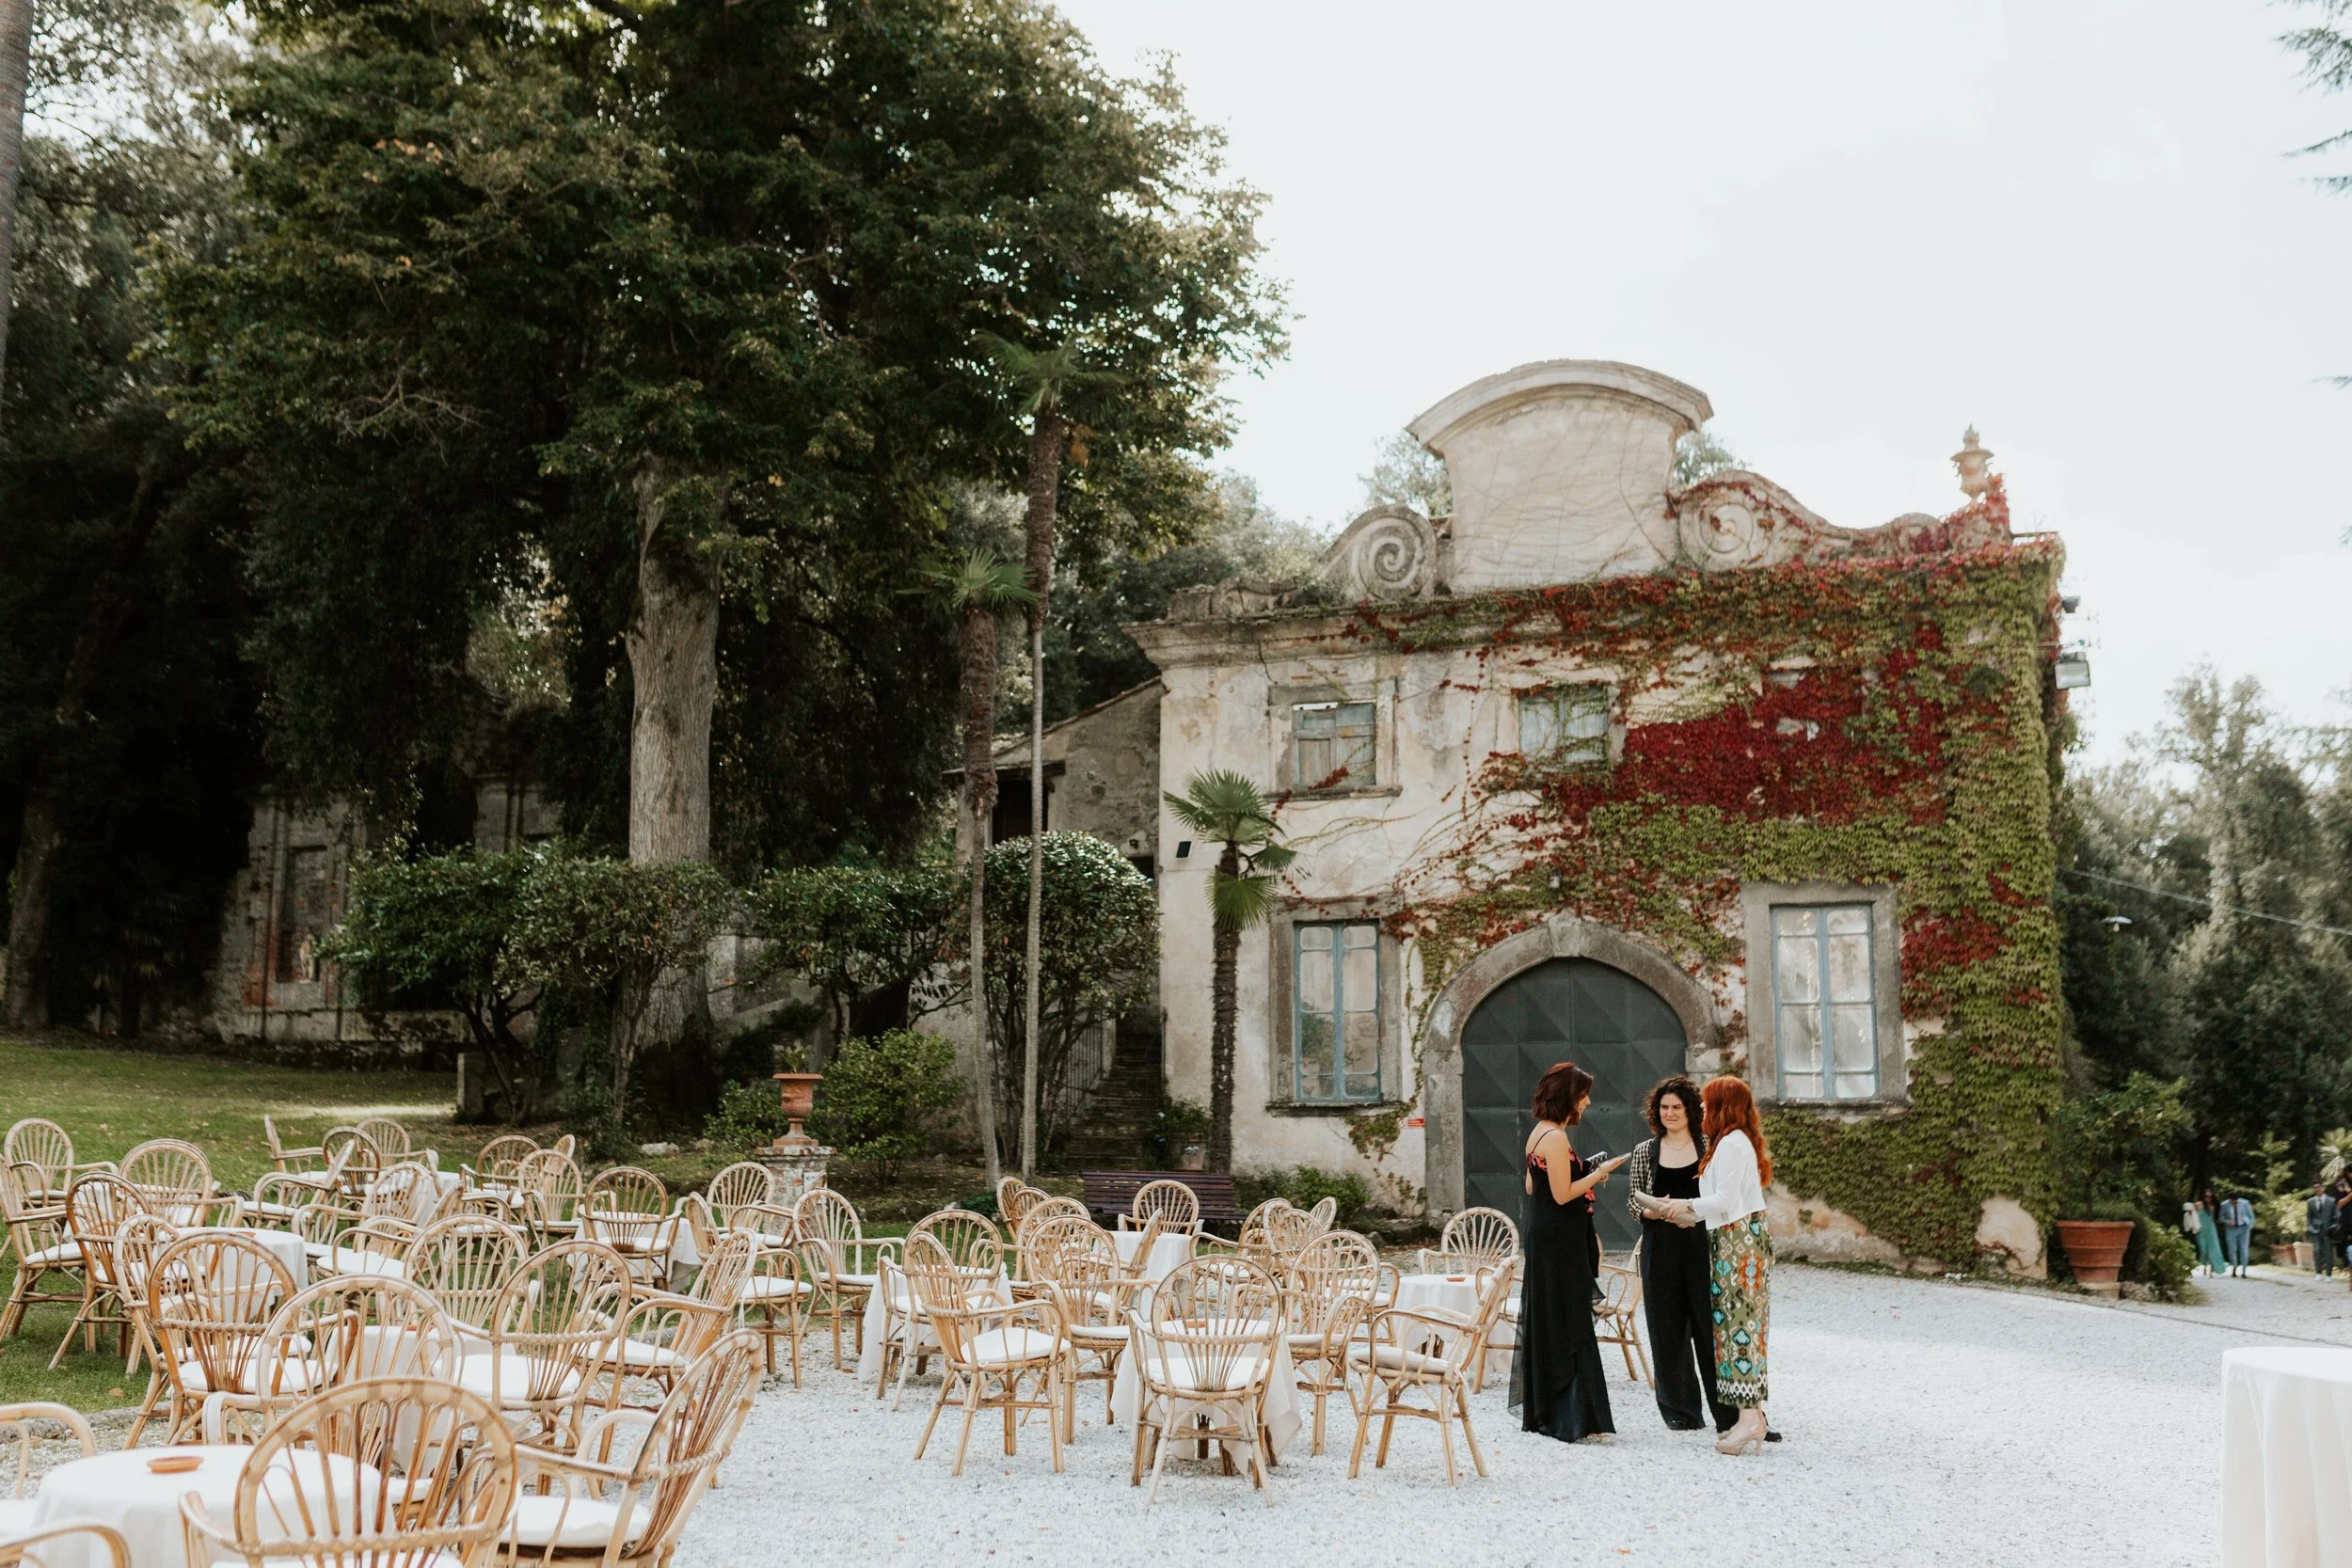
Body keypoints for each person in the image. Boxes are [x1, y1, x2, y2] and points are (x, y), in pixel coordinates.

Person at [1640, 1075, 1773, 1456]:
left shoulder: (1731, 1144)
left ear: (1721, 1107)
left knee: (1739, 1330)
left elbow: (1724, 1199)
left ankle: (1748, 1419)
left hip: (1738, 1241)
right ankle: (1751, 1418)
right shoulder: (1728, 1142)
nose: (1701, 1110)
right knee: (1735, 1329)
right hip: (1730, 1237)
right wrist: (1682, 1210)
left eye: (1706, 1104)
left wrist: (1683, 1209)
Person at [1509, 1060, 1629, 1444]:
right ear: (1569, 1098)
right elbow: (1562, 1194)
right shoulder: (1556, 1139)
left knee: (1551, 1316)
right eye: (1583, 1095)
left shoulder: (1538, 1134)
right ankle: (1572, 1415)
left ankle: (1553, 1408)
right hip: (1559, 1240)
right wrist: (1599, 1171)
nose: (1588, 1102)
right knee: (1571, 1319)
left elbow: (1534, 1187)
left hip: (1544, 1235)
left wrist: (1582, 1171)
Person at [1626, 1075, 1735, 1435]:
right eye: (1663, 1108)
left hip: (1701, 1244)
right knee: (1666, 1329)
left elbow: (1722, 1196)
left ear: (1690, 1109)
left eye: (1676, 1107)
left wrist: (1693, 1214)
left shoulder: (1709, 1146)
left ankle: (1728, 1414)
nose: (1669, 1113)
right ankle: (1680, 1411)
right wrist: (1653, 1212)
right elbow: (1632, 1200)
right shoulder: (1646, 1151)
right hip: (1660, 1246)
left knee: (1709, 1327)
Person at [2217, 1191, 2254, 1277]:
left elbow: (2251, 1216)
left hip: (2244, 1228)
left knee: (2244, 1250)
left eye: (2236, 1201)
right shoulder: (2224, 1205)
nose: (2234, 1202)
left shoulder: (2245, 1203)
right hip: (2231, 1230)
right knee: (2232, 1250)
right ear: (2229, 1199)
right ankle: (2234, 1268)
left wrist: (2250, 1226)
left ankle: (2244, 1272)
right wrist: (2227, 1221)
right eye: (2232, 1201)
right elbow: (2220, 1217)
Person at [2193, 1187, 2227, 1278]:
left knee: (2213, 1250)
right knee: (2203, 1249)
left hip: (2211, 1230)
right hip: (2200, 1230)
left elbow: (2217, 1218)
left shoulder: (2214, 1206)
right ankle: (2204, 1267)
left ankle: (2211, 1270)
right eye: (2206, 1196)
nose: (2208, 1198)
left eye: (2210, 1197)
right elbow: (2192, 1214)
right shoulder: (2198, 1204)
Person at [2308, 1183, 2337, 1278]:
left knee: (2328, 1252)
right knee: (2316, 1251)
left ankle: (2328, 1275)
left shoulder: (2331, 1201)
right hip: (2316, 1231)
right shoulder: (2310, 1201)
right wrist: (2311, 1228)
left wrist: (2332, 1228)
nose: (2317, 1189)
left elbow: (2335, 1217)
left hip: (2328, 1231)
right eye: (2315, 1188)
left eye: (2319, 1187)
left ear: (2323, 1188)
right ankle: (2318, 1273)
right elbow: (2309, 1218)